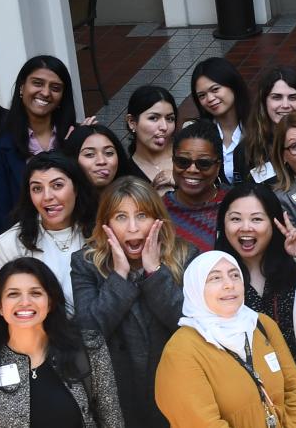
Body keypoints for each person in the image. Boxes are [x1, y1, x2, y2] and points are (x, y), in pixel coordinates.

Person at [72, 176, 194, 427]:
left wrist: (155, 272)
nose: (133, 228)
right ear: (105, 224)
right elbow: (88, 333)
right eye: (120, 217)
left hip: (174, 388)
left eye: (141, 215)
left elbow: (189, 326)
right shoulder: (86, 263)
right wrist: (118, 276)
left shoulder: (186, 256)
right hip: (117, 392)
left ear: (157, 219)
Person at [0, 257, 123, 428]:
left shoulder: (89, 347)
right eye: (13, 294)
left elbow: (112, 421)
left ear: (50, 302)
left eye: (35, 293)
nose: (25, 302)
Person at [156, 250, 296, 427]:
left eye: (235, 275)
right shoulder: (181, 350)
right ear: (195, 288)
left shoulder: (261, 324)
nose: (229, 284)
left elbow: (294, 388)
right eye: (215, 278)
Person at [0, 56, 82, 236]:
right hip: (25, 243)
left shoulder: (75, 137)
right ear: (22, 87)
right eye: (37, 83)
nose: (45, 92)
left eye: (55, 88)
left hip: (77, 236)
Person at [0, 153, 98, 303]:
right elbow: (3, 303)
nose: (47, 196)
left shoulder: (102, 234)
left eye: (57, 185)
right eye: (37, 189)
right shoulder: (9, 244)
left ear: (76, 188)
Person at [216, 183, 296, 353]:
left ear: (274, 223)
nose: (246, 227)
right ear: (223, 223)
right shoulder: (211, 276)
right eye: (235, 219)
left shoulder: (295, 269)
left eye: (256, 219)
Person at [238, 66, 296, 183]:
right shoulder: (246, 151)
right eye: (277, 97)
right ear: (264, 102)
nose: (285, 105)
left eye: (293, 97)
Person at [164, 120, 230, 252]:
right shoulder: (158, 210)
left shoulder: (233, 203)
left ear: (218, 166)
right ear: (173, 161)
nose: (192, 169)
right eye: (183, 161)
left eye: (203, 163)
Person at [188, 57, 254, 182]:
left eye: (215, 89)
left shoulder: (259, 126)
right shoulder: (198, 134)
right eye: (202, 95)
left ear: (233, 85)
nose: (210, 98)